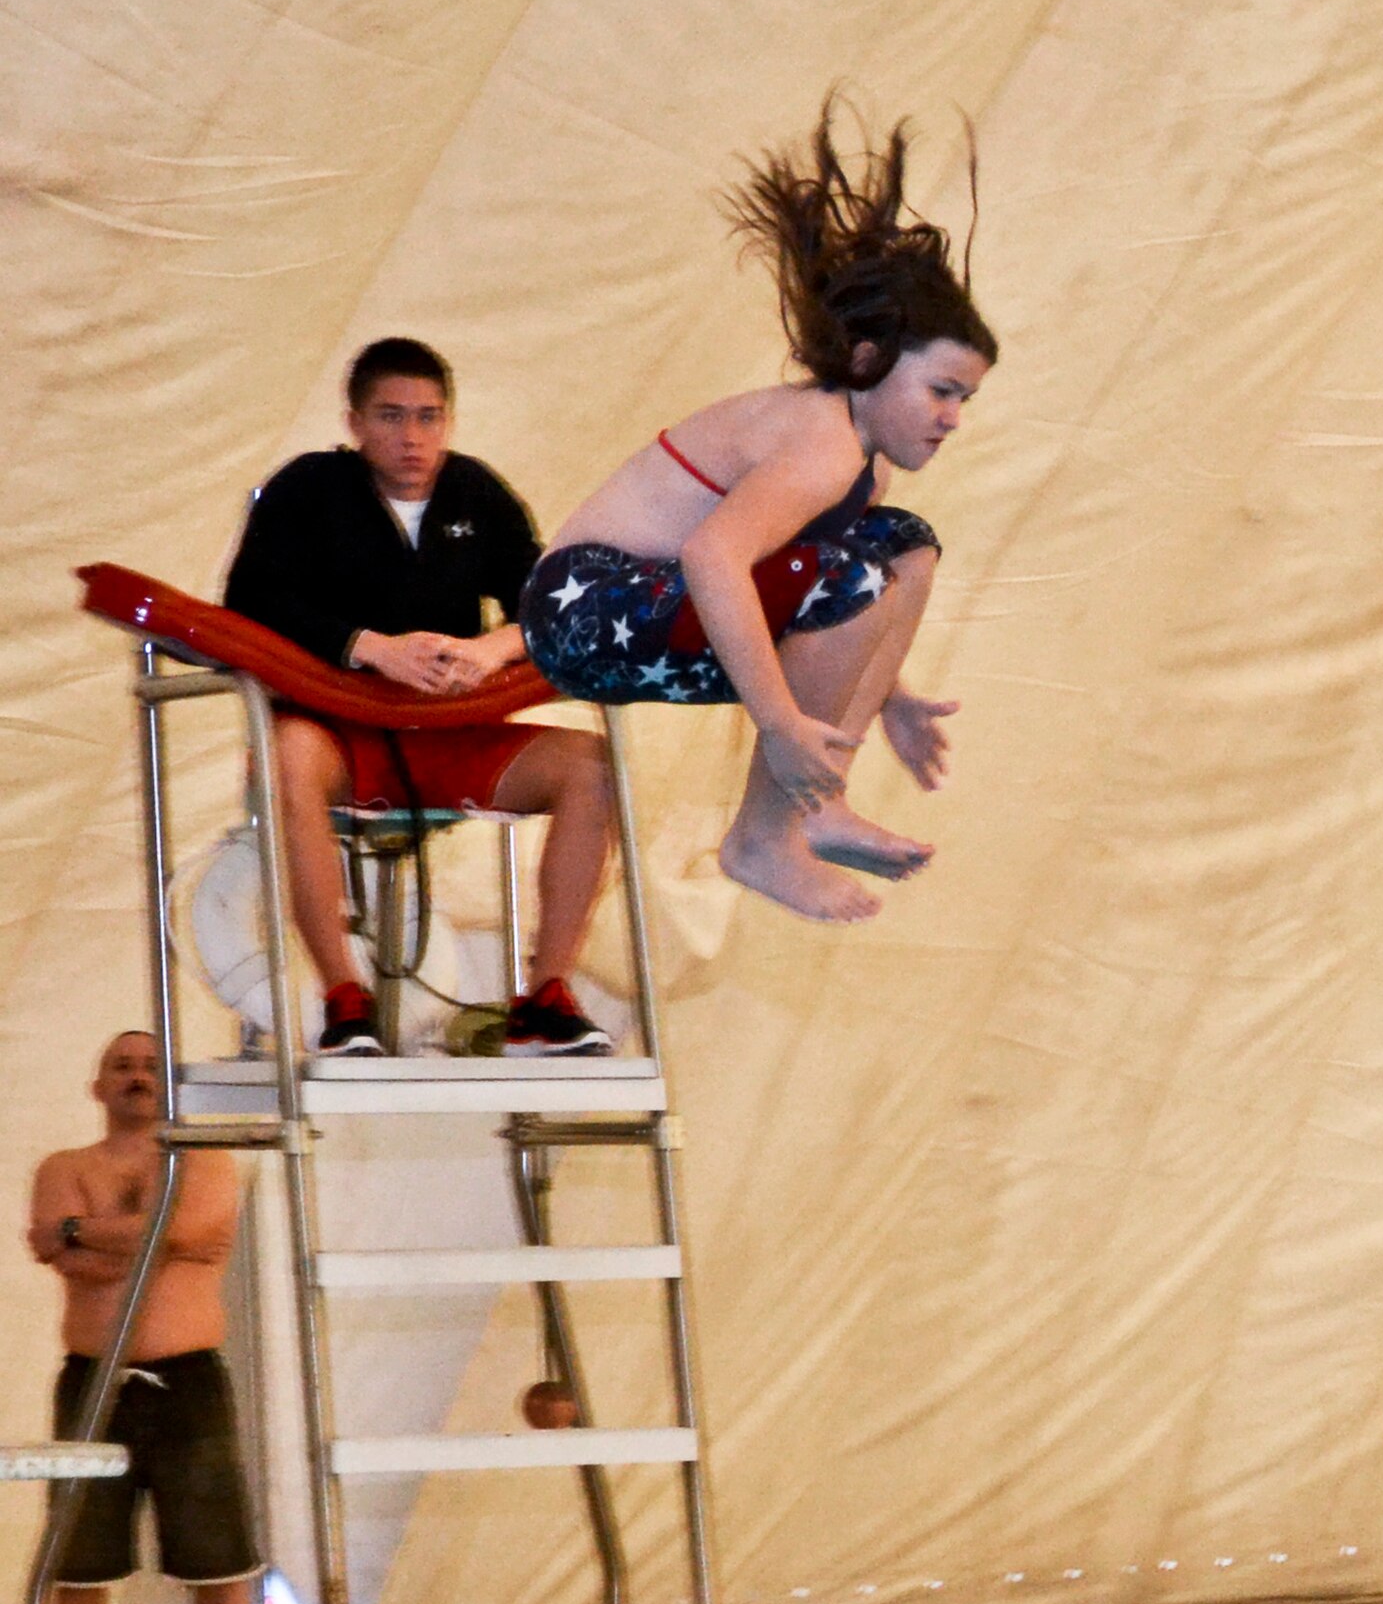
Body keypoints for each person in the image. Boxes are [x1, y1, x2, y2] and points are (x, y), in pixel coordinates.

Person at [520, 99, 998, 926]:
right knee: (850, 573)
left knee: (904, 547)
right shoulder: (819, 440)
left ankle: (817, 802)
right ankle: (762, 836)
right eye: (940, 391)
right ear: (866, 362)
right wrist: (778, 725)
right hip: (585, 610)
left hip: (656, 610)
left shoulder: (860, 465)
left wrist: (889, 693)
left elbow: (822, 606)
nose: (952, 417)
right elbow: (713, 558)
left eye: (965, 400)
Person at [225, 336, 612, 1056]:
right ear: (354, 423)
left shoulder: (476, 493)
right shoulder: (307, 489)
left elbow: (550, 600)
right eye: (391, 416)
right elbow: (249, 601)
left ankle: (546, 994)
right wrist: (370, 646)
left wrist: (488, 649)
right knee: (284, 759)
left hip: (449, 732)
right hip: (341, 732)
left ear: (450, 422)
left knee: (593, 765)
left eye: (429, 417)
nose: (412, 438)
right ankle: (345, 996)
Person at [27, 1031, 258, 1604]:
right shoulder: (64, 1165)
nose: (136, 1076)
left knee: (215, 1548)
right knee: (81, 1551)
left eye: (150, 1066)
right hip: (93, 1379)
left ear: (172, 1084)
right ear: (97, 1086)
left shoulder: (206, 1161)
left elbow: (177, 1233)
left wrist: (83, 1229)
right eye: (121, 1066)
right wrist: (148, 1239)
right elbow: (61, 1247)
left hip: (187, 1378)